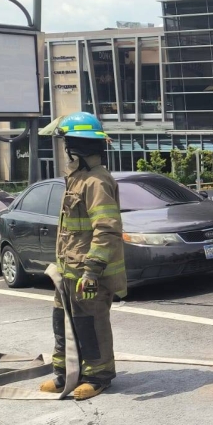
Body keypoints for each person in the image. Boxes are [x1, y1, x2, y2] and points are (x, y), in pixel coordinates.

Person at [40, 112, 126, 400]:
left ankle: (97, 376)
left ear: (76, 150)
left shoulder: (96, 182)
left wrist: (92, 271)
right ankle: (65, 373)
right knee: (61, 322)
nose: (65, 152)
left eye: (67, 145)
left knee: (90, 325)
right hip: (67, 271)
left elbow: (107, 229)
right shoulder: (75, 179)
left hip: (88, 273)